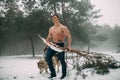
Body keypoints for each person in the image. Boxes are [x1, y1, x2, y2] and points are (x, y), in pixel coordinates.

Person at [44, 14, 72, 79]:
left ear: (58, 19)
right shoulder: (51, 28)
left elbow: (69, 36)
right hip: (53, 45)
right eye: (53, 18)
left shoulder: (63, 27)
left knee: (62, 60)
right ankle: (53, 74)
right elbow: (48, 37)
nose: (54, 19)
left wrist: (69, 46)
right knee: (48, 58)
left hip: (60, 45)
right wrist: (46, 45)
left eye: (55, 18)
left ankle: (64, 74)